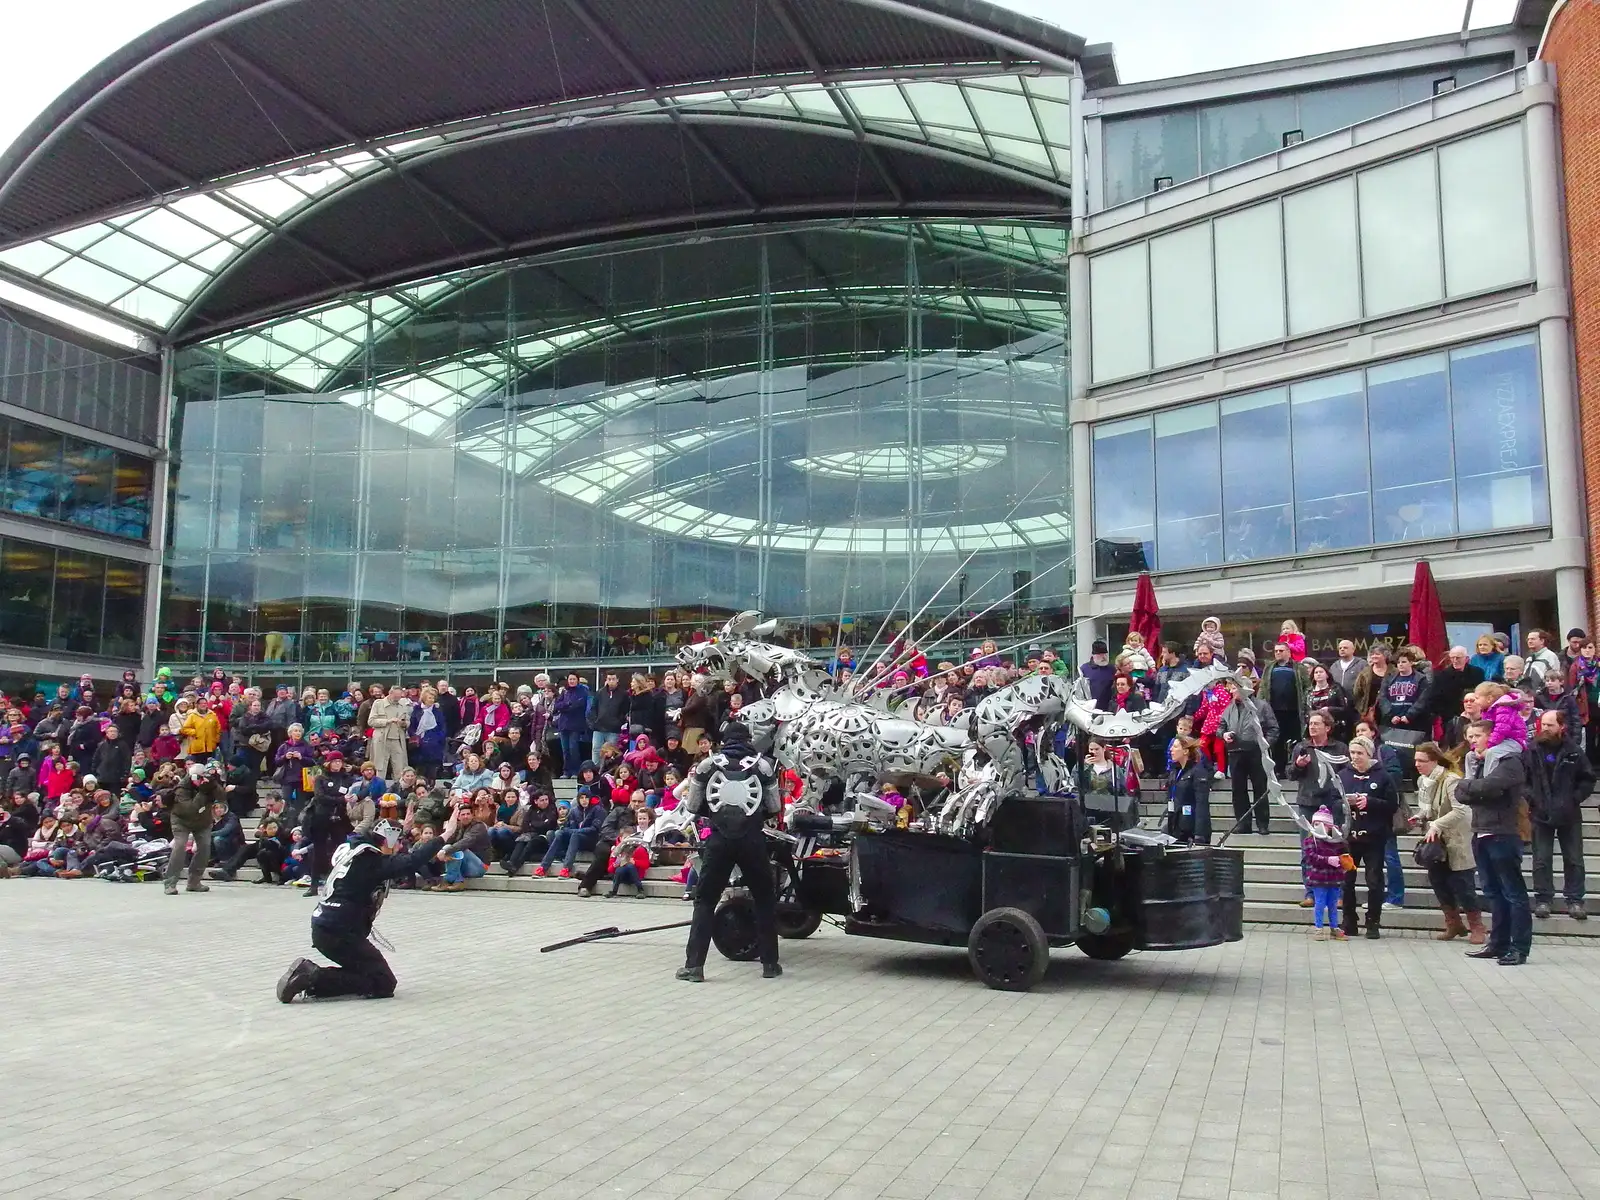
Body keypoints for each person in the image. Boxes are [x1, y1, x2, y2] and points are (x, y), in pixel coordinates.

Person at [276, 816, 452, 1002]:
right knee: (383, 982)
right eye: (398, 842)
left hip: (328, 927)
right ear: (387, 840)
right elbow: (412, 860)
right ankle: (311, 976)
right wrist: (445, 835)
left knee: (367, 972)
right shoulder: (371, 862)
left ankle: (313, 978)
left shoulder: (356, 850)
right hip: (339, 933)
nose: (400, 847)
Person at [677, 720, 782, 982]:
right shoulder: (762, 766)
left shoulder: (707, 765)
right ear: (748, 740)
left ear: (724, 741)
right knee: (765, 900)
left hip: (719, 841)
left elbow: (692, 806)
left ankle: (694, 967)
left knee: (705, 901)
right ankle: (770, 964)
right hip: (752, 840)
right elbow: (774, 806)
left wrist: (715, 815)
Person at [1457, 718, 1534, 965]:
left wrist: (1471, 788)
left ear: (1492, 736)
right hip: (1480, 830)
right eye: (1469, 737)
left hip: (1503, 832)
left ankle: (1519, 947)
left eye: (1477, 736)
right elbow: (1462, 792)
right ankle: (1498, 943)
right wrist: (1472, 788)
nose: (1472, 741)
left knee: (1514, 893)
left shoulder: (1508, 761)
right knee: (1492, 891)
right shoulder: (1477, 762)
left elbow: (1491, 787)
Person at [1412, 742, 1485, 944]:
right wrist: (1420, 817)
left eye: (1422, 761)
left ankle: (1477, 926)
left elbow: (1460, 810)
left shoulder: (1451, 780)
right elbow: (1428, 809)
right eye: (1416, 760)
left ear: (1435, 760)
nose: (1417, 764)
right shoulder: (1423, 781)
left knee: (1463, 885)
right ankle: (1453, 923)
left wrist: (1436, 823)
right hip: (1435, 842)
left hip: (1457, 839)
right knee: (1439, 883)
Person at [1525, 709, 1594, 921]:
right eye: (1543, 724)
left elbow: (1587, 779)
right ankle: (1543, 899)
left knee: (1574, 859)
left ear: (1561, 727)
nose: (1545, 728)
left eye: (1550, 725)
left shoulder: (1573, 751)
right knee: (1541, 859)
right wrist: (1532, 798)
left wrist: (1574, 798)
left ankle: (1574, 900)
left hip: (1569, 813)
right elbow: (1522, 779)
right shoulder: (1532, 750)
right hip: (1540, 812)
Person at [1338, 737, 1398, 939]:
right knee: (1347, 881)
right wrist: (1345, 803)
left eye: (1360, 753)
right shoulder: (1343, 775)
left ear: (1369, 754)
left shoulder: (1382, 776)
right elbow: (1332, 800)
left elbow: (1392, 805)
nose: (1355, 757)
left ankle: (1373, 922)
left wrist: (1370, 802)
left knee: (1374, 881)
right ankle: (1349, 921)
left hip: (1374, 837)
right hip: (1349, 838)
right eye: (1352, 753)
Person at [1219, 677, 1277, 836]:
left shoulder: (1262, 706)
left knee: (1259, 788)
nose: (1231, 691)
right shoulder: (1229, 707)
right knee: (1238, 790)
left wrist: (1264, 744)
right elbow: (1220, 727)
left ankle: (1262, 824)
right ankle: (1243, 823)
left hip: (1256, 752)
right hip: (1235, 752)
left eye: (1234, 689)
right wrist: (1224, 735)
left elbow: (1273, 729)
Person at [163, 760, 223, 895]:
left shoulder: (208, 784)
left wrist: (214, 784)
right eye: (197, 778)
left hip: (203, 821)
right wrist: (202, 793)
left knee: (205, 848)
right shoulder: (182, 788)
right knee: (180, 846)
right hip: (181, 820)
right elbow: (190, 809)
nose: (199, 781)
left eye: (202, 777)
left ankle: (194, 881)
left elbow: (222, 797)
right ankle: (170, 882)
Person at [1301, 807, 1348, 941]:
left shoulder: (1335, 840)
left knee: (1333, 904)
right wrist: (1328, 860)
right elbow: (1311, 857)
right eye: (1315, 824)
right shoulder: (1310, 841)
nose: (1318, 827)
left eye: (1322, 824)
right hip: (1319, 877)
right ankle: (1319, 927)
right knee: (1320, 903)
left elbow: (1343, 852)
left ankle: (1334, 927)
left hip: (1334, 877)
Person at [1261, 641, 1308, 771]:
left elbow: (1307, 686)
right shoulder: (1269, 668)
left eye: (1281, 651)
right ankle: (1279, 769)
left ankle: (1297, 768)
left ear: (1288, 652)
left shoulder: (1298, 667)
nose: (1278, 653)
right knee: (1277, 741)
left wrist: (1305, 705)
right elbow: (1263, 687)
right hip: (1274, 710)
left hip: (1294, 710)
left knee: (1297, 739)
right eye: (1276, 651)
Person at [1164, 735, 1211, 844]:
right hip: (1176, 826)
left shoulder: (1198, 771)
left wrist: (1199, 833)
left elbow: (1201, 804)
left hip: (1191, 828)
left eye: (1175, 747)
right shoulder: (1175, 771)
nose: (1171, 750)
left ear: (1185, 751)